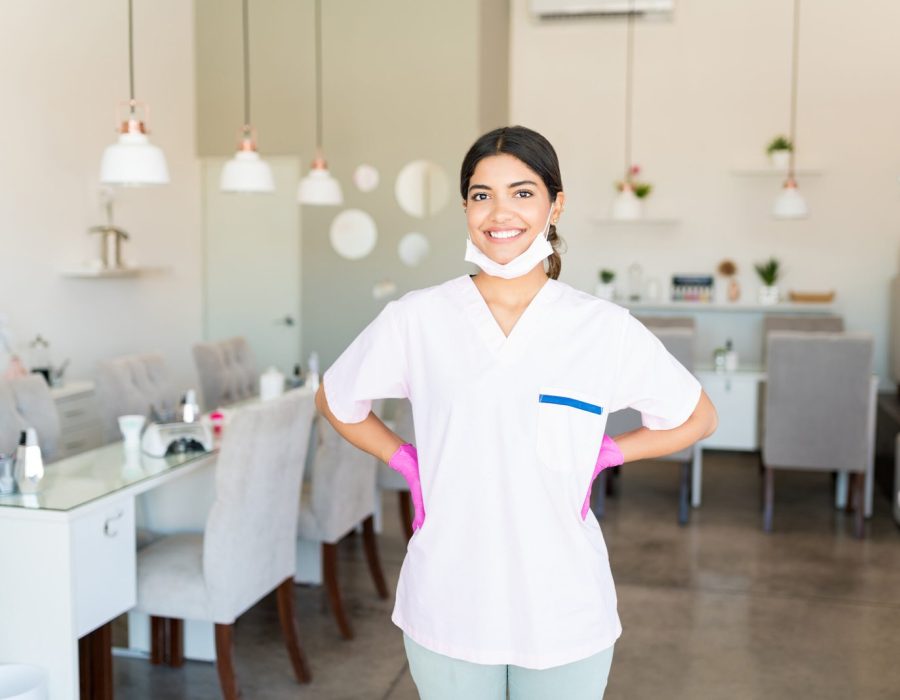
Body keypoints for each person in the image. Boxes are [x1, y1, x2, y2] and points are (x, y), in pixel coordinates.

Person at [316, 125, 718, 699]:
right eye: (481, 195)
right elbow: (336, 398)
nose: (499, 212)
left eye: (522, 192)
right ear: (465, 208)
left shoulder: (602, 328)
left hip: (565, 605)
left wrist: (608, 453)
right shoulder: (418, 319)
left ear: (556, 204)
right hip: (450, 598)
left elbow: (697, 416)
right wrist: (405, 460)